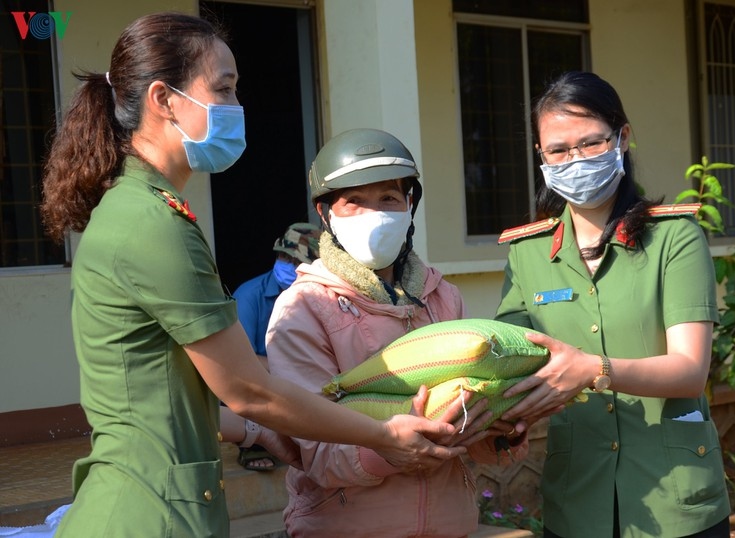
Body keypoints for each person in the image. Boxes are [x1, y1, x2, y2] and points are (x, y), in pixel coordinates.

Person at [39, 13, 463, 537]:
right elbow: (250, 392)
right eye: (223, 89)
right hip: (148, 513)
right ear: (164, 99)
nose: (237, 108)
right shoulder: (151, 224)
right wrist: (383, 434)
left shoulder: (146, 210)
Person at [494, 71, 731, 537]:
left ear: (622, 138)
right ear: (541, 157)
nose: (575, 160)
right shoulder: (527, 252)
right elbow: (515, 362)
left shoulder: (673, 238)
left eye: (591, 143)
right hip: (577, 497)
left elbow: (689, 370)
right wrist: (503, 414)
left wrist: (592, 369)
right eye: (558, 150)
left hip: (676, 500)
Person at [265, 128, 529, 538]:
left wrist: (496, 432)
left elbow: (462, 428)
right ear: (326, 213)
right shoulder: (303, 310)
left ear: (410, 204)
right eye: (354, 202)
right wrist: (389, 449)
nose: (375, 213)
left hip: (448, 525)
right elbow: (315, 449)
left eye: (388, 198)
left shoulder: (444, 299)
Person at [231, 222, 321, 471]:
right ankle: (253, 443)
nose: (286, 264)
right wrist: (291, 371)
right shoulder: (249, 297)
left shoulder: (321, 299)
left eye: (295, 260)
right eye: (283, 256)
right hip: (262, 385)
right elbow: (237, 362)